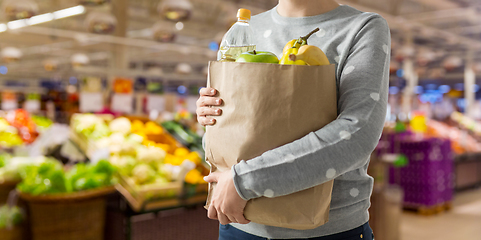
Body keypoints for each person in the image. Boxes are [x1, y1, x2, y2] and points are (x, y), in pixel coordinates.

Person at [196, 0, 390, 239]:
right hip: (239, 225)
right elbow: (224, 133)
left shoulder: (362, 27)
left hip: (328, 231)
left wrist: (244, 181)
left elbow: (358, 133)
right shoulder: (242, 30)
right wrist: (211, 113)